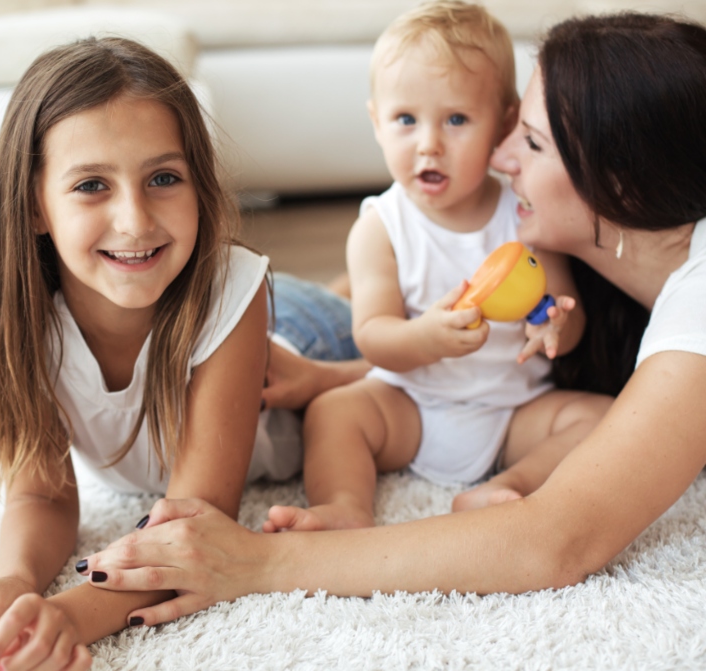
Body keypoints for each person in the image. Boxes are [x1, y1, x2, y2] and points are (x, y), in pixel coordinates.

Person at [76, 10, 706, 628]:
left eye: (532, 139)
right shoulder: (396, 224)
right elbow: (383, 340)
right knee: (270, 314)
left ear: (622, 181)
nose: (502, 152)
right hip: (369, 358)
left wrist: (262, 561)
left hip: (476, 397)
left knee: (266, 305)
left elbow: (555, 538)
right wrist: (334, 378)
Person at [0, 37, 367, 671]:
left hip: (303, 334)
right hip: (216, 296)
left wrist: (68, 616)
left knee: (394, 341)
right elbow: (42, 496)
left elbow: (199, 525)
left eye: (163, 178)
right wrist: (16, 584)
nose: (134, 219)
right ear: (33, 204)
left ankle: (358, 301)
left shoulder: (232, 291)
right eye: (91, 185)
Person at [263, 1, 611, 533]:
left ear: (505, 122)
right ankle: (344, 508)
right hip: (410, 405)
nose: (429, 143)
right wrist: (425, 337)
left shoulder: (524, 216)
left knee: (600, 418)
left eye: (456, 119)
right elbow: (373, 337)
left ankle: (509, 487)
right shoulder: (381, 227)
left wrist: (553, 324)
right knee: (335, 413)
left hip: (512, 409)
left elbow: (564, 310)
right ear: (377, 122)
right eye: (406, 119)